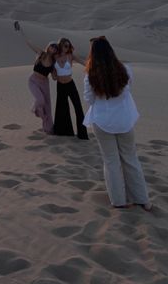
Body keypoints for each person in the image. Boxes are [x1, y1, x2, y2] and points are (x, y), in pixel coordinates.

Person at [83, 36, 152, 211]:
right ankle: (142, 198)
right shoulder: (125, 70)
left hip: (103, 121)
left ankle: (119, 201)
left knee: (111, 161)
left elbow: (89, 99)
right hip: (124, 120)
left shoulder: (90, 76)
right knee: (130, 159)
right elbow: (128, 88)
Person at [14, 21, 57, 134]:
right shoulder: (41, 53)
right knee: (40, 100)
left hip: (45, 83)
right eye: (52, 46)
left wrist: (58, 71)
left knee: (48, 107)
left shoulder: (53, 62)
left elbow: (54, 78)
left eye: (56, 48)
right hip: (33, 81)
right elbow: (29, 42)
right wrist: (21, 31)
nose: (54, 48)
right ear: (48, 47)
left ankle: (48, 128)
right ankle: (35, 110)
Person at [53, 37, 89, 140]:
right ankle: (65, 133)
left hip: (70, 84)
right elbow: (52, 71)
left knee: (78, 108)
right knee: (61, 109)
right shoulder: (55, 56)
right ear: (60, 46)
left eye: (68, 46)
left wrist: (95, 67)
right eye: (65, 46)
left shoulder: (70, 56)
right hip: (60, 86)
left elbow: (84, 63)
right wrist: (53, 74)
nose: (67, 48)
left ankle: (82, 135)